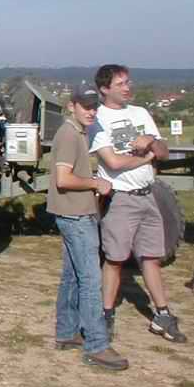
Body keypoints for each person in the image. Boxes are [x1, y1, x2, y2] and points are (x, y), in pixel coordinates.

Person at [90, 64, 186, 343]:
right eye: (120, 84)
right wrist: (148, 156)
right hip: (121, 199)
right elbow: (113, 162)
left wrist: (152, 142)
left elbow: (164, 152)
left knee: (151, 258)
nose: (127, 88)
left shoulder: (140, 113)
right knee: (115, 259)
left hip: (148, 195)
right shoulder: (98, 120)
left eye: (128, 82)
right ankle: (106, 315)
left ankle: (162, 316)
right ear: (104, 89)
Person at [48, 84, 128, 370]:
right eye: (86, 106)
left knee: (72, 277)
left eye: (94, 107)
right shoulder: (70, 135)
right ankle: (96, 345)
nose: (91, 111)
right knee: (91, 281)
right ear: (72, 106)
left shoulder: (77, 132)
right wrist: (96, 183)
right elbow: (63, 179)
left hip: (74, 213)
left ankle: (67, 332)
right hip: (76, 217)